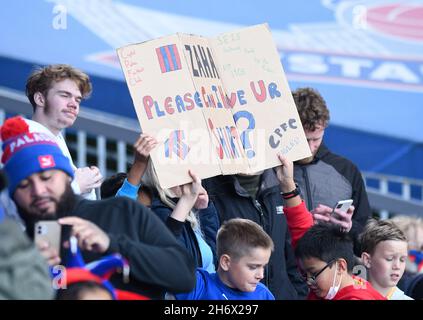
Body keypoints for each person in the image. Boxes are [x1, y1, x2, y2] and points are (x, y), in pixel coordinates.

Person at [1, 116, 196, 299]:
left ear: (67, 175)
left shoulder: (121, 210)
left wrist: (112, 244)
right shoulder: (18, 249)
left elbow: (184, 276)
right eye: (24, 185)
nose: (38, 190)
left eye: (46, 178)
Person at [112, 134, 219, 272]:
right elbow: (118, 216)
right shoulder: (157, 209)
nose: (190, 174)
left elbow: (212, 263)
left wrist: (204, 211)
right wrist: (139, 164)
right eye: (179, 166)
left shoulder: (189, 209)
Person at [203, 161, 308, 300]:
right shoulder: (206, 190)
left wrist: (299, 295)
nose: (260, 274)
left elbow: (294, 255)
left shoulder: (284, 185)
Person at [292, 87, 371, 254]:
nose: (310, 147)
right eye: (304, 140)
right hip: (283, 272)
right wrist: (301, 221)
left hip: (334, 271)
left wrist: (348, 227)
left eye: (316, 139)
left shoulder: (346, 170)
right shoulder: (270, 170)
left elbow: (366, 235)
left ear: (324, 128)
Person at [24, 64, 103, 200]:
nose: (74, 104)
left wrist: (88, 182)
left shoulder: (55, 137)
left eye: (78, 99)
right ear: (40, 99)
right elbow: (32, 201)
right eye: (65, 95)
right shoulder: (23, 138)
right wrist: (79, 184)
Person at [175, 218, 274, 300]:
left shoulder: (264, 295)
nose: (261, 275)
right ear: (226, 262)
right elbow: (164, 253)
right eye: (253, 267)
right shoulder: (199, 285)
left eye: (263, 267)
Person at [296, 223, 385, 300]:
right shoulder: (357, 284)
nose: (308, 281)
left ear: (340, 266)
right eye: (304, 274)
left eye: (314, 273)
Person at [359, 219, 413, 300]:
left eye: (402, 260)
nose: (397, 266)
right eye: (389, 259)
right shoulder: (348, 294)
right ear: (367, 260)